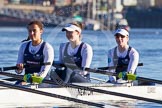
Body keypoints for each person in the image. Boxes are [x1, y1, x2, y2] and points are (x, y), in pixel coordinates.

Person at [16, 20, 54, 85]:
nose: (32, 33)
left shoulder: (47, 47)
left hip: (42, 80)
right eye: (30, 31)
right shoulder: (23, 46)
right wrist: (19, 69)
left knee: (20, 85)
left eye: (34, 30)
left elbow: (44, 72)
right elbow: (18, 71)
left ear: (41, 31)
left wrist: (29, 81)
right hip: (27, 79)